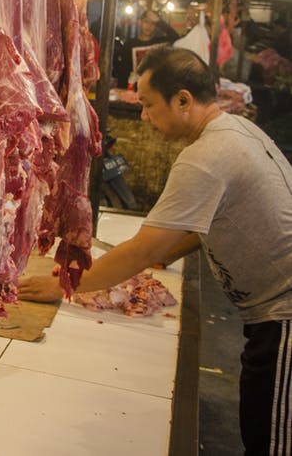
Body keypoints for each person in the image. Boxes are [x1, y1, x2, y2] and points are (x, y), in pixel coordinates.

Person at [19, 47, 292, 456]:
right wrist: (167, 253)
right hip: (272, 314)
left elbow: (141, 251)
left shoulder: (206, 157)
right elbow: (200, 226)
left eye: (148, 104)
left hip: (284, 317)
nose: (144, 116)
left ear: (182, 100)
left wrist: (64, 285)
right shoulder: (236, 130)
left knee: (271, 441)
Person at [112, 9, 180, 89]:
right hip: (135, 88)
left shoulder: (160, 42)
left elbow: (176, 38)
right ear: (140, 22)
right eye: (146, 21)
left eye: (153, 23)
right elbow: (123, 69)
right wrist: (122, 88)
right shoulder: (130, 44)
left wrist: (160, 22)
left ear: (157, 26)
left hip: (156, 88)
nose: (149, 26)